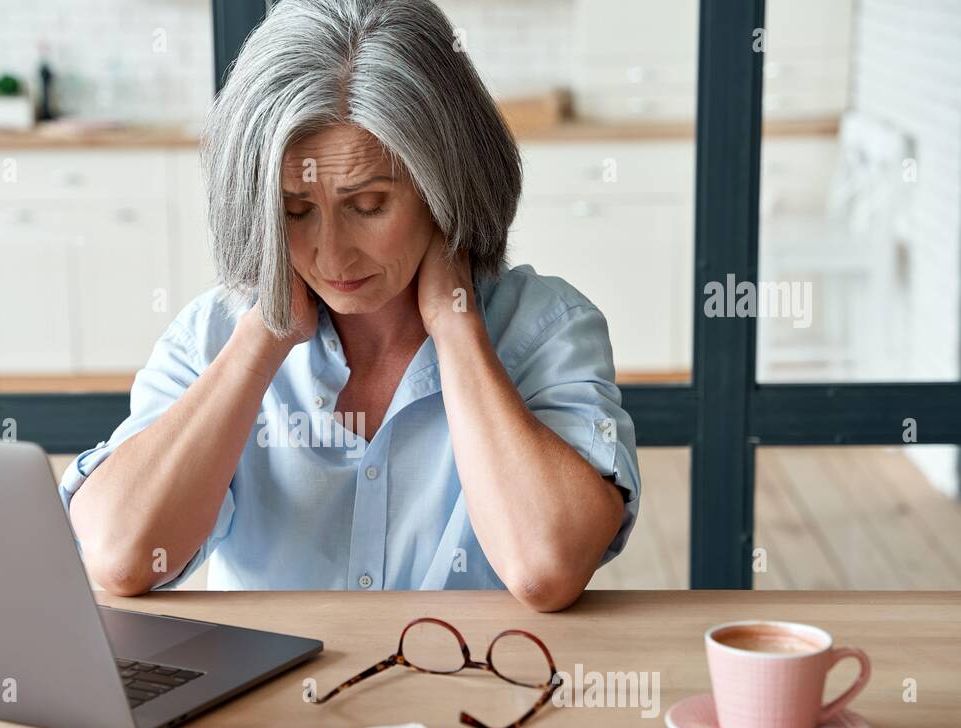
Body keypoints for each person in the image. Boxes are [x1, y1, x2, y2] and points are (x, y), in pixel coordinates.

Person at [63, 0, 640, 611]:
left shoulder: (545, 329)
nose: (332, 255)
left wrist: (456, 328)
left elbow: (546, 569)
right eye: (295, 211)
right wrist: (264, 336)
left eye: (368, 206)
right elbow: (123, 558)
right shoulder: (210, 337)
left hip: (470, 673)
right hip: (278, 677)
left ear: (446, 186)